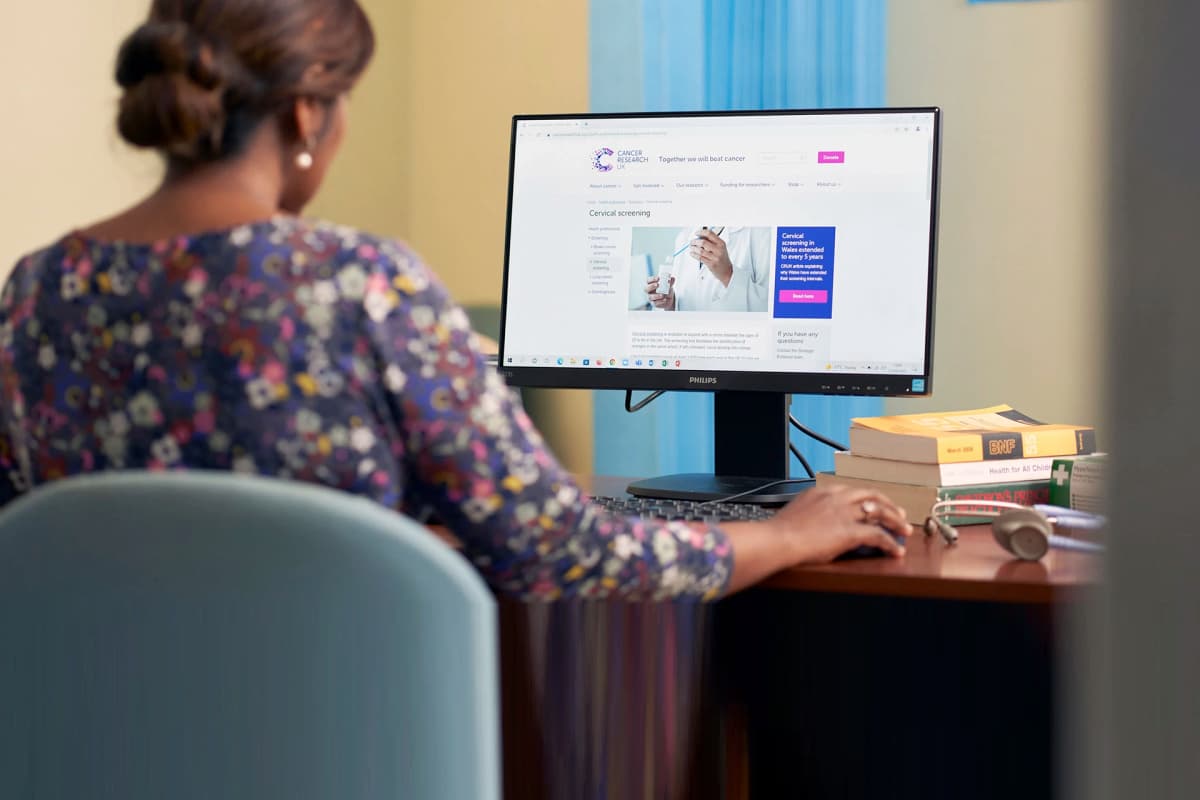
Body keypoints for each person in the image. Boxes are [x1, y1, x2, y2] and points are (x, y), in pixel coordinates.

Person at [0, 0, 910, 601]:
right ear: (309, 116)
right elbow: (567, 553)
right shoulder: (361, 285)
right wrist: (789, 537)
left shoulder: (34, 291)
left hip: (98, 742)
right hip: (330, 740)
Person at [647, 226, 771, 312]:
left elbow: (771, 308)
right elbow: (684, 301)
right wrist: (670, 303)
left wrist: (728, 274)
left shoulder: (761, 233)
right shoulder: (683, 237)